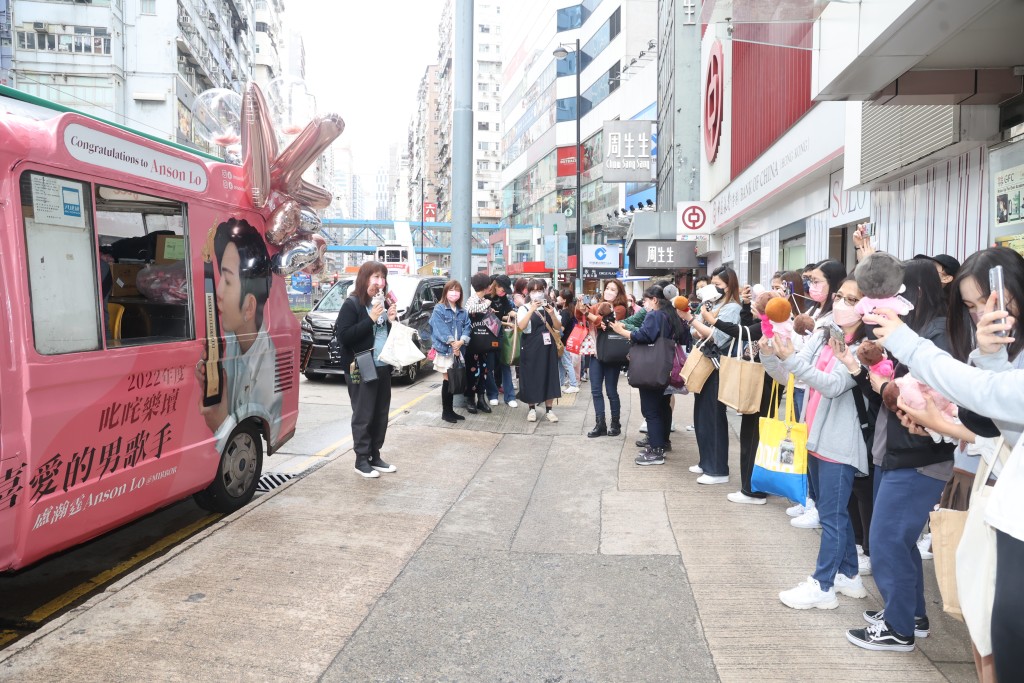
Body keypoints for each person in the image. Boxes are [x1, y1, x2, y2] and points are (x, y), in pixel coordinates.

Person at [866, 292, 1022, 680]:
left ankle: (902, 623)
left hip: (951, 479)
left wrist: (908, 346)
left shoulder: (936, 338)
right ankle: (907, 617)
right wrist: (941, 424)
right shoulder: (978, 349)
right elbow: (988, 421)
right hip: (994, 497)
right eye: (972, 305)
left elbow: (983, 396)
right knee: (984, 621)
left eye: (985, 301)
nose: (982, 313)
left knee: (994, 622)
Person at [760, 275, 871, 609]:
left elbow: (833, 385)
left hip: (842, 441)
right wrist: (771, 354)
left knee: (832, 516)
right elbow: (795, 373)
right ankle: (849, 575)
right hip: (815, 435)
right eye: (839, 296)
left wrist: (791, 359)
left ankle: (822, 585)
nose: (840, 303)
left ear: (868, 307)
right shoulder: (825, 334)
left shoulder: (864, 347)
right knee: (832, 512)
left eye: (851, 300)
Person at [199, 219, 282, 455]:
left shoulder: (268, 382)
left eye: (226, 280)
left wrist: (219, 420)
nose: (217, 293)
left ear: (249, 307)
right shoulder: (229, 341)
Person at [786, 259, 848, 527]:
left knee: (818, 447)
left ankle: (817, 504)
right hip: (804, 384)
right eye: (810, 281)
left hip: (817, 384)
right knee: (806, 443)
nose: (812, 285)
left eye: (818, 281)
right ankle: (810, 499)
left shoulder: (835, 316)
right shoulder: (813, 308)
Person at [334, 261, 399, 478]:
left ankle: (374, 455)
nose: (380, 283)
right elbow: (344, 336)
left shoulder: (381, 303)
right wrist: (370, 319)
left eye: (383, 278)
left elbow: (383, 335)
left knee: (381, 413)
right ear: (364, 279)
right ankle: (361, 459)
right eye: (375, 277)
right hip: (360, 366)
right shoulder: (352, 305)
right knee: (363, 414)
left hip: (382, 365)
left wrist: (389, 321)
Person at [610, 285, 685, 465]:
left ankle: (656, 450)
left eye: (646, 300)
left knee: (650, 410)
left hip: (651, 367)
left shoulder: (655, 315)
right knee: (663, 406)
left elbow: (644, 336)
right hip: (665, 365)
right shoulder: (672, 315)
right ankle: (663, 442)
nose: (645, 304)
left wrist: (622, 331)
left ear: (655, 300)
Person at [687, 266, 742, 484]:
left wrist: (695, 321)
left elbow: (718, 337)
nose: (715, 288)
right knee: (702, 416)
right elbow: (697, 332)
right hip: (706, 364)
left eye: (719, 284)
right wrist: (698, 323)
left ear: (730, 285)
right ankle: (705, 461)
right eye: (714, 283)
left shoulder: (732, 308)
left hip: (718, 366)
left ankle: (718, 469)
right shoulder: (714, 305)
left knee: (713, 417)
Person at [586, 279, 629, 437]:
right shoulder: (598, 306)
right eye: (607, 288)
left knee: (611, 390)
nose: (609, 292)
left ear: (619, 293)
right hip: (596, 352)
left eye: (613, 289)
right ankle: (600, 424)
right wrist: (584, 311)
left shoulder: (620, 308)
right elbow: (585, 316)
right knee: (596, 390)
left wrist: (588, 313)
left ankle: (615, 423)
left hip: (612, 354)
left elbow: (606, 320)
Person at [516, 279, 562, 422]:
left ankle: (549, 410)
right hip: (530, 348)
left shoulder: (550, 306)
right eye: (534, 291)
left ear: (545, 291)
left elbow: (558, 326)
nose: (537, 293)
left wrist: (552, 313)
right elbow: (521, 327)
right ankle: (531, 409)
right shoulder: (523, 308)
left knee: (550, 376)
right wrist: (531, 310)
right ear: (529, 293)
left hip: (548, 348)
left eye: (540, 290)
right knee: (531, 377)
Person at [430, 279, 471, 424]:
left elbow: (468, 327)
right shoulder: (439, 309)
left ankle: (450, 411)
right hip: (446, 350)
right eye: (451, 290)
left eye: (457, 290)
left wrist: (461, 341)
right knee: (448, 379)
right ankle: (446, 412)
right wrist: (453, 344)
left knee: (452, 379)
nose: (454, 293)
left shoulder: (462, 311)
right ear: (446, 292)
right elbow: (439, 328)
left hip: (458, 349)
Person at [463, 272, 495, 414]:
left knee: (484, 371)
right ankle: (470, 399)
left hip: (483, 342)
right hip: (473, 343)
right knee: (472, 372)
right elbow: (469, 309)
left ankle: (481, 399)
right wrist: (487, 304)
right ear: (485, 286)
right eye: (489, 285)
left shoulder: (483, 300)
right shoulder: (473, 299)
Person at [487, 275, 518, 408]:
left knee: (505, 365)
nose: (504, 292)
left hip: (501, 334)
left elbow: (505, 312)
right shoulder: (486, 297)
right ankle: (492, 395)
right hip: (487, 336)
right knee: (489, 367)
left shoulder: (504, 298)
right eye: (503, 289)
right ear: (496, 285)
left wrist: (511, 314)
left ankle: (510, 397)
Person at [555, 288, 580, 393]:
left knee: (566, 363)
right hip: (566, 341)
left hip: (564, 341)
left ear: (564, 300)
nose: (558, 297)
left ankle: (574, 385)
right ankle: (561, 384)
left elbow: (562, 329)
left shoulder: (565, 312)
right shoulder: (569, 310)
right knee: (561, 364)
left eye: (560, 296)